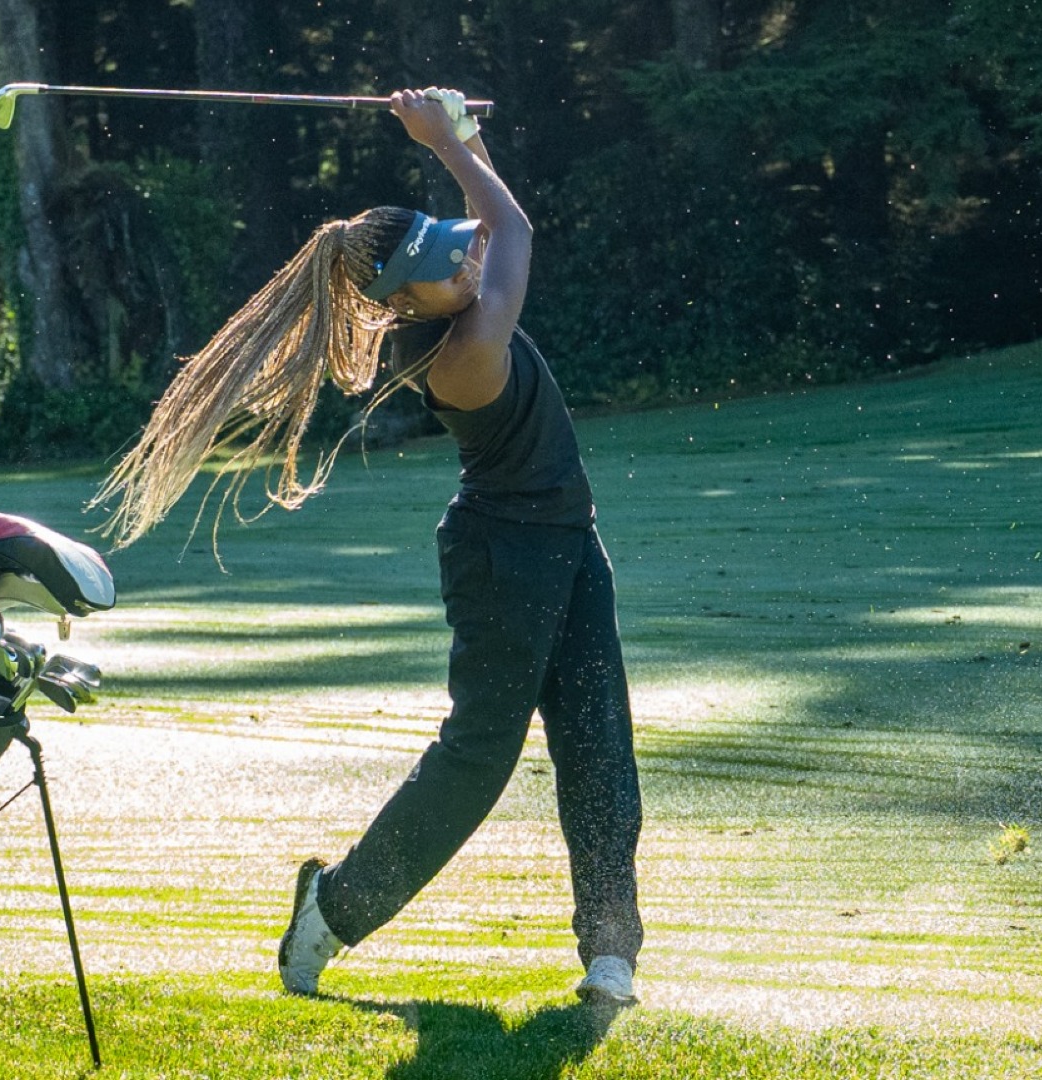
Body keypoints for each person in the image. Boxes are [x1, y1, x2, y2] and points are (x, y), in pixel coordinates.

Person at [91, 87, 643, 1005]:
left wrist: (458, 135)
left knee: (600, 746)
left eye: (445, 241)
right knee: (477, 762)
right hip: (506, 558)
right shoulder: (458, 350)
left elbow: (486, 225)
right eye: (437, 261)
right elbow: (515, 231)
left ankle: (610, 951)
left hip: (566, 543)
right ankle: (333, 912)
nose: (460, 257)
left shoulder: (449, 297)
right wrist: (447, 142)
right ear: (399, 302)